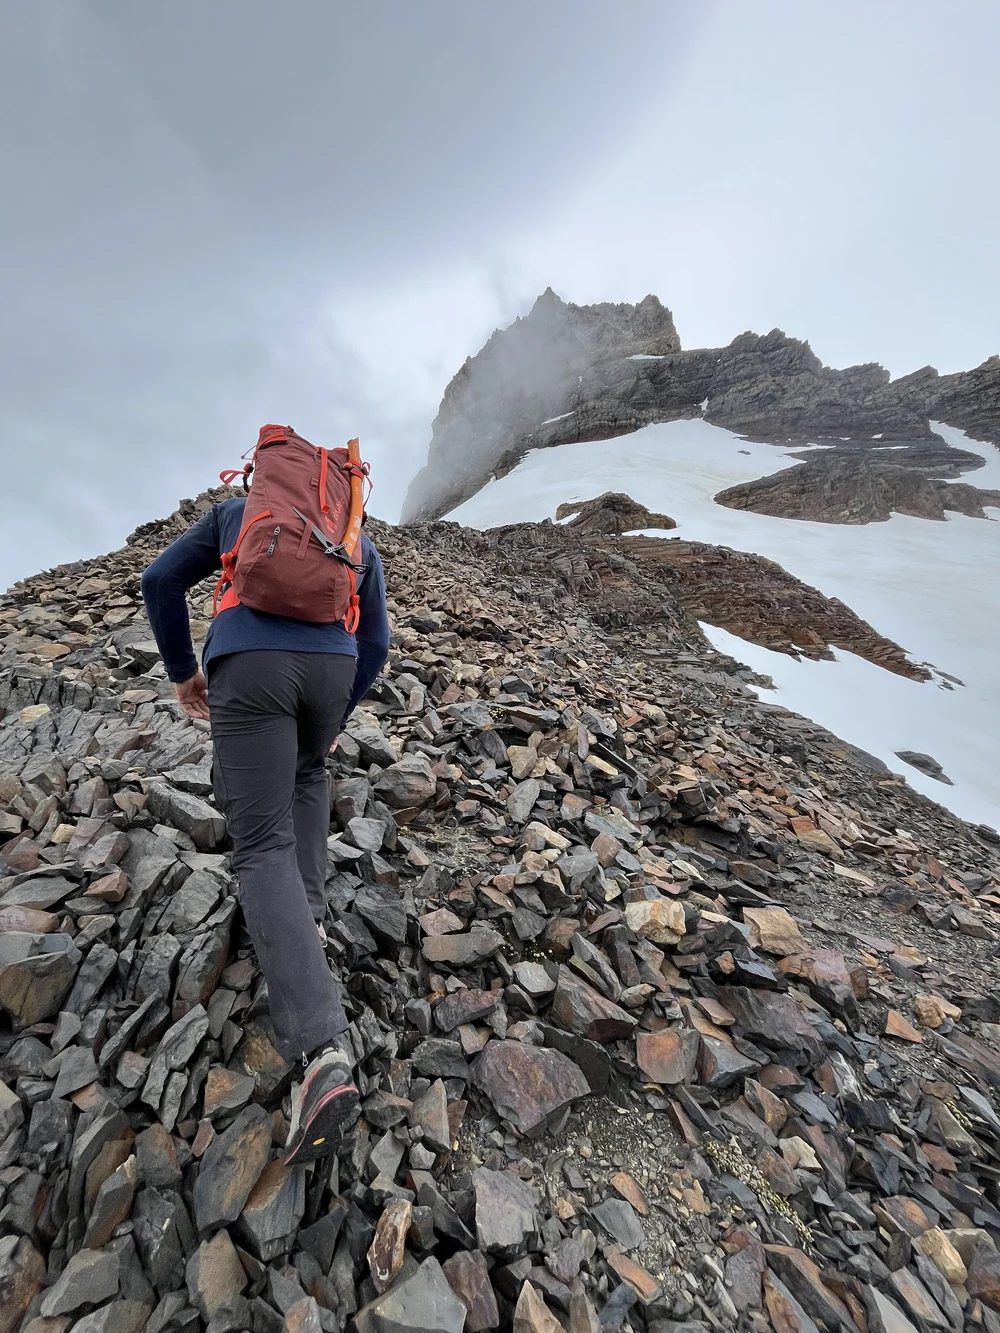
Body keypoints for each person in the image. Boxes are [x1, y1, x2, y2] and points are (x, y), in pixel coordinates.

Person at [141, 481, 390, 1166]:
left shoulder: (238, 513)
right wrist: (336, 711)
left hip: (249, 662)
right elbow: (379, 638)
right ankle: (308, 923)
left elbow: (159, 578)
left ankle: (319, 1049)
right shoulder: (350, 531)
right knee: (308, 772)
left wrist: (180, 672)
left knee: (258, 845)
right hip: (332, 666)